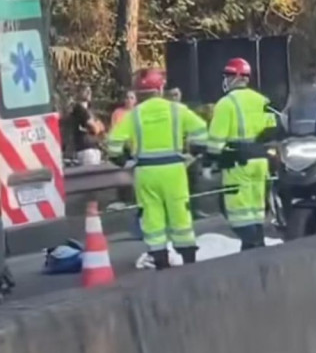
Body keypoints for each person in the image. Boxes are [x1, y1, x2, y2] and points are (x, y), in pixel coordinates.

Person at [106, 68, 208, 269]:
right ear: (161, 88)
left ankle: (160, 258)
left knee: (152, 216)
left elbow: (113, 143)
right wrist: (195, 151)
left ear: (140, 93)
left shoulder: (134, 115)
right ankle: (188, 257)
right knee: (180, 212)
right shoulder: (176, 110)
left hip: (146, 172)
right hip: (174, 170)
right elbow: (201, 129)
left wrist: (123, 159)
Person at [207, 58, 276, 250]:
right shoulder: (262, 100)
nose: (226, 79)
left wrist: (211, 160)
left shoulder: (226, 103)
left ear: (237, 77)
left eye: (228, 75)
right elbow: (272, 129)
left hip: (237, 162)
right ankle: (255, 243)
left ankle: (252, 244)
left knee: (237, 210)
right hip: (260, 160)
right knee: (255, 209)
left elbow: (215, 141)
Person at [69, 85, 104, 165]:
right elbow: (95, 128)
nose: (89, 93)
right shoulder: (79, 109)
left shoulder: (90, 110)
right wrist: (95, 127)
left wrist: (96, 127)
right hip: (85, 149)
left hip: (94, 147)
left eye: (90, 91)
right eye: (85, 90)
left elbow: (101, 127)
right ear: (79, 93)